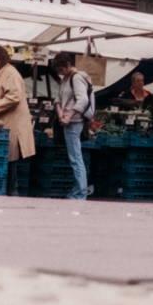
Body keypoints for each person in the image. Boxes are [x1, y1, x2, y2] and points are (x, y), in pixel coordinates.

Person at [0, 46, 36, 196]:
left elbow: (14, 97)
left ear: (2, 56)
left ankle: (13, 192)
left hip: (13, 123)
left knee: (11, 158)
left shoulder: (10, 73)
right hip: (3, 122)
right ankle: (9, 191)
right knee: (7, 157)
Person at [50, 51, 95, 200]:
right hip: (67, 121)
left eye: (61, 69)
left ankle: (80, 193)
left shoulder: (77, 78)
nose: (60, 72)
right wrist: (60, 113)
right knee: (75, 157)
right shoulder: (66, 79)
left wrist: (68, 116)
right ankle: (77, 191)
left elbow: (83, 100)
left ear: (68, 65)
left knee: (76, 158)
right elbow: (58, 99)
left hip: (75, 122)